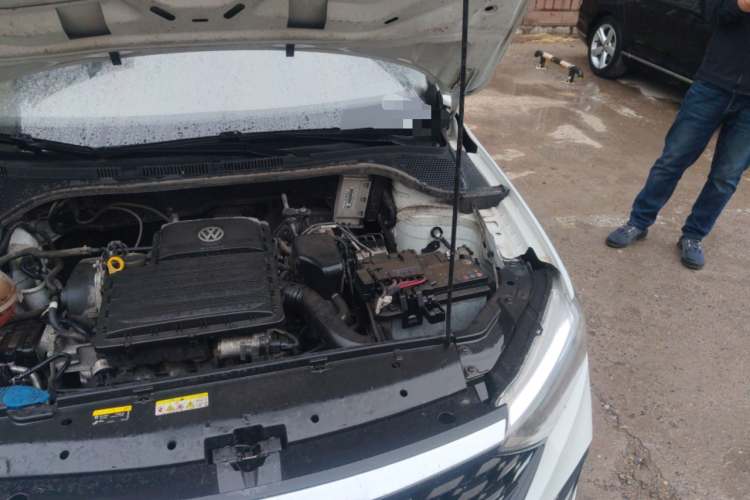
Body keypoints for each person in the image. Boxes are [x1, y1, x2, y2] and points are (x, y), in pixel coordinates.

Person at [606, 0, 750, 270]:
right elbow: (710, 12)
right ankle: (639, 222)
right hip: (713, 84)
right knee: (673, 159)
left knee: (726, 176)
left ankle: (694, 235)